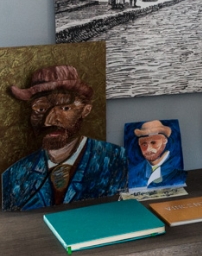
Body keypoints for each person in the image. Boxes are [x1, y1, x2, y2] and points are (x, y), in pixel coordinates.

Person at [1, 66, 126, 211]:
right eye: (41, 109)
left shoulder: (116, 159)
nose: (49, 121)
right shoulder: (14, 175)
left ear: (85, 110)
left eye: (65, 108)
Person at [128, 119, 185, 190]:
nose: (148, 149)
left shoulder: (176, 170)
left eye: (153, 143)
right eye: (144, 144)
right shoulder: (134, 173)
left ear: (164, 141)